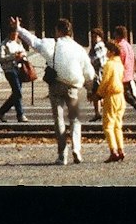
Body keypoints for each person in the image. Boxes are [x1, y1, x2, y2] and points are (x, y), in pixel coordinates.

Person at [13, 16, 92, 164]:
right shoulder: (79, 48)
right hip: (73, 86)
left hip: (56, 85)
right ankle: (76, 148)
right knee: (75, 119)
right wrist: (90, 88)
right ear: (70, 32)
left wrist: (19, 29)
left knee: (59, 119)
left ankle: (62, 155)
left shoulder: (53, 44)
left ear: (58, 31)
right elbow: (88, 71)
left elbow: (33, 41)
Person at [96, 35, 128, 162]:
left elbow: (105, 82)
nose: (106, 53)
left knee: (108, 125)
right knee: (117, 125)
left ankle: (113, 150)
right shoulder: (119, 63)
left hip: (111, 95)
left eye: (107, 50)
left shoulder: (109, 64)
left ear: (112, 51)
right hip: (120, 96)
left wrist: (99, 94)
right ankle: (121, 149)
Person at [0, 32, 28, 123]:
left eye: (17, 34)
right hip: (9, 70)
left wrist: (22, 56)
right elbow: (0, 58)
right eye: (14, 33)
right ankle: (20, 114)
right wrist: (13, 56)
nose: (15, 35)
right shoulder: (4, 44)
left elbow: (24, 52)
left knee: (16, 93)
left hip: (19, 69)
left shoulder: (18, 43)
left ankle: (1, 111)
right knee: (17, 91)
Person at [113, 26, 136, 118]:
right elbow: (133, 58)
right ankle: (135, 108)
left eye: (115, 33)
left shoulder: (120, 46)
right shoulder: (127, 45)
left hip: (122, 73)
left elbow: (119, 59)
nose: (114, 35)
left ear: (118, 34)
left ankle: (135, 107)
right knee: (125, 93)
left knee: (122, 93)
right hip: (129, 72)